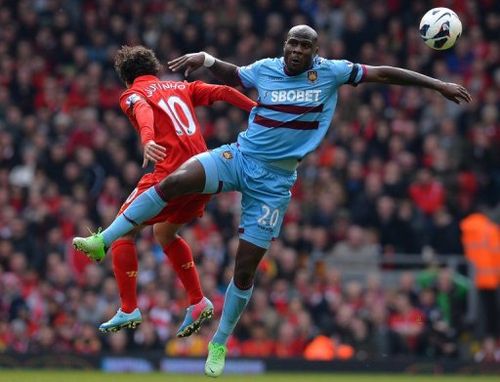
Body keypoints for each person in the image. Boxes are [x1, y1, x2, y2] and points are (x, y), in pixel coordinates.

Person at [73, 25, 472, 376]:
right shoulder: (266, 68)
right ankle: (104, 239)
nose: (297, 51)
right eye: (292, 44)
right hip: (240, 156)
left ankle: (220, 343)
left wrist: (437, 84)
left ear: (315, 52)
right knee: (176, 179)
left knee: (244, 270)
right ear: (285, 45)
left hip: (274, 184)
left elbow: (382, 73)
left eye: (305, 46)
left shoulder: (331, 72)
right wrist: (208, 58)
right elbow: (233, 76)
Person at [75, 45, 256, 337]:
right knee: (164, 232)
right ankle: (197, 301)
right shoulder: (181, 86)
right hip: (205, 173)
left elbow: (143, 110)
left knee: (125, 231)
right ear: (155, 69)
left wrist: (147, 139)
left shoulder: (132, 94)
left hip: (171, 175)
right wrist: (257, 110)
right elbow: (223, 91)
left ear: (125, 78)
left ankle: (129, 307)